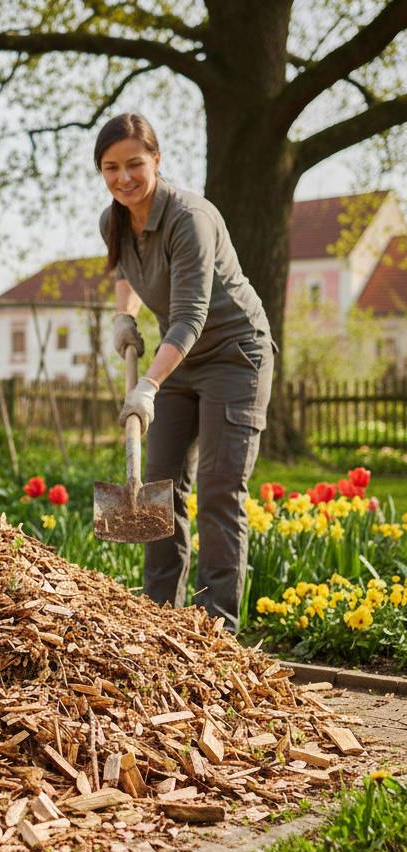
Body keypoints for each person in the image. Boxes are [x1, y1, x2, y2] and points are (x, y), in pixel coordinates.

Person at [95, 112, 275, 633]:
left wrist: (147, 386)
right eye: (111, 167)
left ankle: (217, 632)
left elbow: (191, 315)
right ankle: (160, 624)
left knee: (220, 490)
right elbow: (124, 270)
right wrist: (123, 316)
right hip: (178, 361)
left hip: (234, 356)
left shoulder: (189, 218)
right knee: (158, 487)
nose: (123, 178)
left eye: (134, 164)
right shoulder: (114, 220)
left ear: (157, 160)